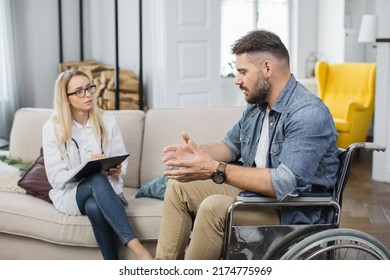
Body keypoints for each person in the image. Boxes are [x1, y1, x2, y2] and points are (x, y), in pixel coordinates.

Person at [155, 29, 340, 260]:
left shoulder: (307, 113)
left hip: (291, 212)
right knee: (179, 186)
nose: (237, 80)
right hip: (260, 197)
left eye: (243, 71)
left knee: (214, 208)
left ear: (267, 68)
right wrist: (198, 154)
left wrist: (216, 169)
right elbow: (229, 145)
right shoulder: (257, 106)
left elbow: (285, 183)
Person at [42, 69, 153, 260]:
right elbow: (56, 180)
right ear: (65, 97)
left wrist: (117, 170)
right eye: (79, 91)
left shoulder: (107, 120)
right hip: (71, 195)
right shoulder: (52, 128)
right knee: (95, 179)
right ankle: (140, 251)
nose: (87, 95)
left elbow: (121, 160)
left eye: (89, 88)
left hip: (106, 191)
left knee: (94, 206)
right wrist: (87, 166)